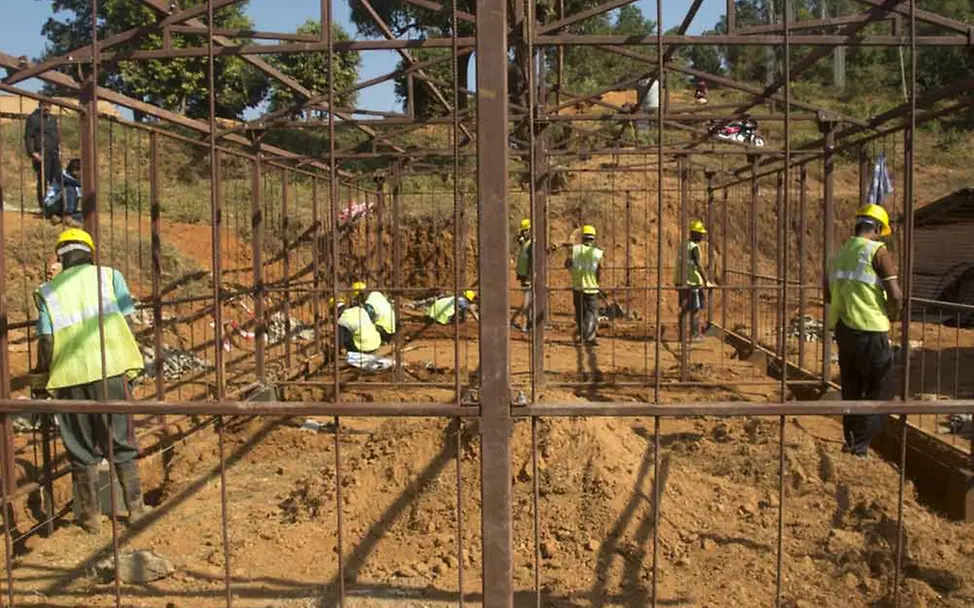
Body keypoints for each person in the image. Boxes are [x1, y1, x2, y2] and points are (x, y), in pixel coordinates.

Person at [28, 229, 147, 534]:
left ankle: (91, 521)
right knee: (121, 439)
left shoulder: (49, 291)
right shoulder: (109, 276)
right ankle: (135, 511)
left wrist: (41, 380)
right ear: (91, 252)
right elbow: (128, 319)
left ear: (60, 258)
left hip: (69, 377)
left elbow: (46, 341)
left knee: (80, 448)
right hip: (111, 370)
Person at [826, 204, 902, 457]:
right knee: (881, 388)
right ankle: (859, 447)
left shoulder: (839, 254)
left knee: (851, 387)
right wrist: (894, 312)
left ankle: (851, 442)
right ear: (878, 228)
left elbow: (827, 293)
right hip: (871, 328)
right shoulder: (876, 250)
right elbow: (895, 294)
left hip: (844, 328)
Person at [675, 219, 713, 341]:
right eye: (700, 233)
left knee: (684, 309)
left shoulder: (682, 244)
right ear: (694, 233)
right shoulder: (694, 247)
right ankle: (694, 335)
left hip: (681, 281)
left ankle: (681, 336)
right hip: (693, 283)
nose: (702, 235)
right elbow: (698, 265)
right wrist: (706, 280)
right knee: (695, 309)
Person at [565, 225, 603, 345]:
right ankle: (590, 337)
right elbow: (599, 271)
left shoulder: (575, 250)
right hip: (591, 287)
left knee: (580, 313)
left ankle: (582, 336)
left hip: (577, 287)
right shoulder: (598, 253)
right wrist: (596, 281)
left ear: (583, 237)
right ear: (593, 238)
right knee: (592, 313)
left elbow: (567, 264)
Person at [24, 100, 62, 210]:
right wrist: (33, 153)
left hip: (54, 153)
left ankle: (55, 206)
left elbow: (56, 134)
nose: (47, 108)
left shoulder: (53, 118)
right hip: (41, 153)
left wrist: (59, 149)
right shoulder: (34, 118)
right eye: (44, 105)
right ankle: (44, 207)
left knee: (56, 179)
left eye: (49, 105)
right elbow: (28, 136)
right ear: (40, 105)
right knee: (43, 180)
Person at [41, 158, 82, 224]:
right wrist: (81, 184)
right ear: (75, 170)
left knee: (84, 214)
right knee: (70, 188)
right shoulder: (61, 175)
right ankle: (67, 216)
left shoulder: (77, 179)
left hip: (62, 207)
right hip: (51, 205)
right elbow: (67, 181)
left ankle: (59, 217)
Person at [511, 218, 533, 331]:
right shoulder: (526, 242)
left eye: (526, 231)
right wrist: (529, 278)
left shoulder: (531, 243)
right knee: (527, 300)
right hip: (526, 276)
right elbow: (518, 238)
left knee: (529, 300)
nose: (524, 233)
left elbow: (532, 261)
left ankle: (521, 321)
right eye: (524, 231)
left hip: (527, 275)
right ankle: (525, 325)